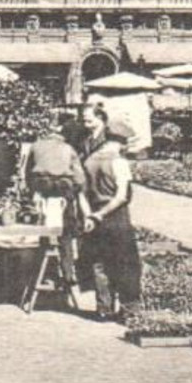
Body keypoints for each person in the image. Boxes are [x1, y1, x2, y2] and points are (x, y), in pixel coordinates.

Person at [75, 105, 142, 320]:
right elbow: (121, 196)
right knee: (125, 262)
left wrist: (89, 216)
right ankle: (129, 309)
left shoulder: (88, 161)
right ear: (122, 141)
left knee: (99, 263)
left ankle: (103, 308)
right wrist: (101, 214)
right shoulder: (119, 162)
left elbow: (81, 194)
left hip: (92, 217)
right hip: (115, 217)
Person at [22, 111, 86, 285]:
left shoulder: (36, 146)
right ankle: (67, 272)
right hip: (63, 192)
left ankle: (43, 271)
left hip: (41, 190)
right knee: (65, 233)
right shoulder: (68, 149)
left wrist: (30, 191)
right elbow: (80, 177)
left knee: (42, 230)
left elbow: (27, 173)